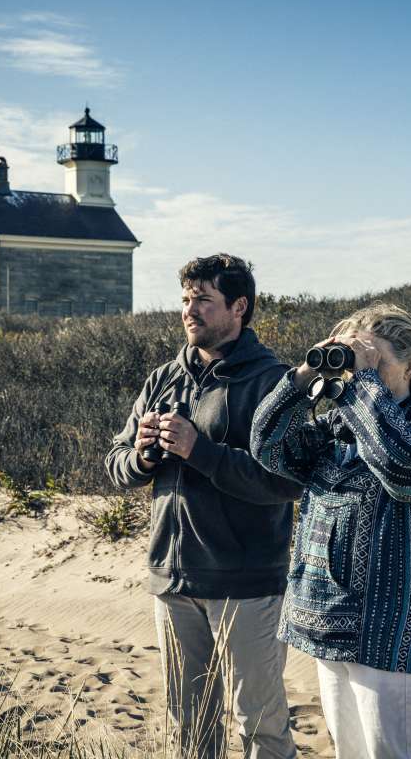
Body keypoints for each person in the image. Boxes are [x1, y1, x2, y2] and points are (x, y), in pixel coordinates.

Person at [105, 254, 303, 759]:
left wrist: (202, 451)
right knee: (189, 730)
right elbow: (116, 463)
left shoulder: (273, 382)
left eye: (203, 300)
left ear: (240, 307)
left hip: (246, 584)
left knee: (261, 727)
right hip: (173, 580)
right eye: (186, 300)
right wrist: (144, 456)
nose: (190, 311)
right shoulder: (163, 378)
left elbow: (285, 482)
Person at [250, 303, 411, 759]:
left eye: (376, 360)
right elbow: (267, 447)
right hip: (328, 624)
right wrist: (304, 377)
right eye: (354, 358)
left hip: (389, 633)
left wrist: (361, 382)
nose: (363, 370)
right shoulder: (336, 429)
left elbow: (402, 467)